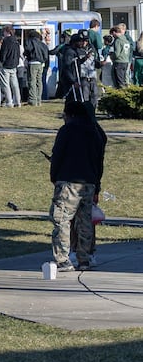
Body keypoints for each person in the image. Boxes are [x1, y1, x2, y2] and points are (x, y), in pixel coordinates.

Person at [50, 98, 106, 272]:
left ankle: (63, 259)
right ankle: (84, 258)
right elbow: (99, 162)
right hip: (88, 183)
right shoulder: (95, 132)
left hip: (68, 182)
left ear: (71, 114)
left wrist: (54, 177)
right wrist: (96, 185)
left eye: (64, 115)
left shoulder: (67, 130)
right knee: (85, 223)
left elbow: (57, 155)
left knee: (62, 221)